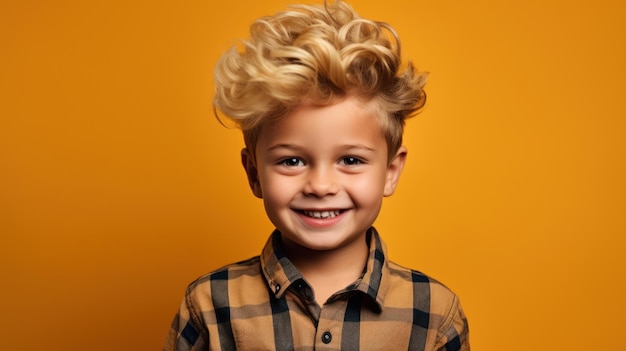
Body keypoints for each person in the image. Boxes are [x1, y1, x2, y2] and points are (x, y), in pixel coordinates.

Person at [163, 1, 470, 350]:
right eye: (292, 162)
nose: (321, 186)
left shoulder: (433, 313)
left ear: (390, 172)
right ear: (254, 174)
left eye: (351, 160)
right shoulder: (209, 304)